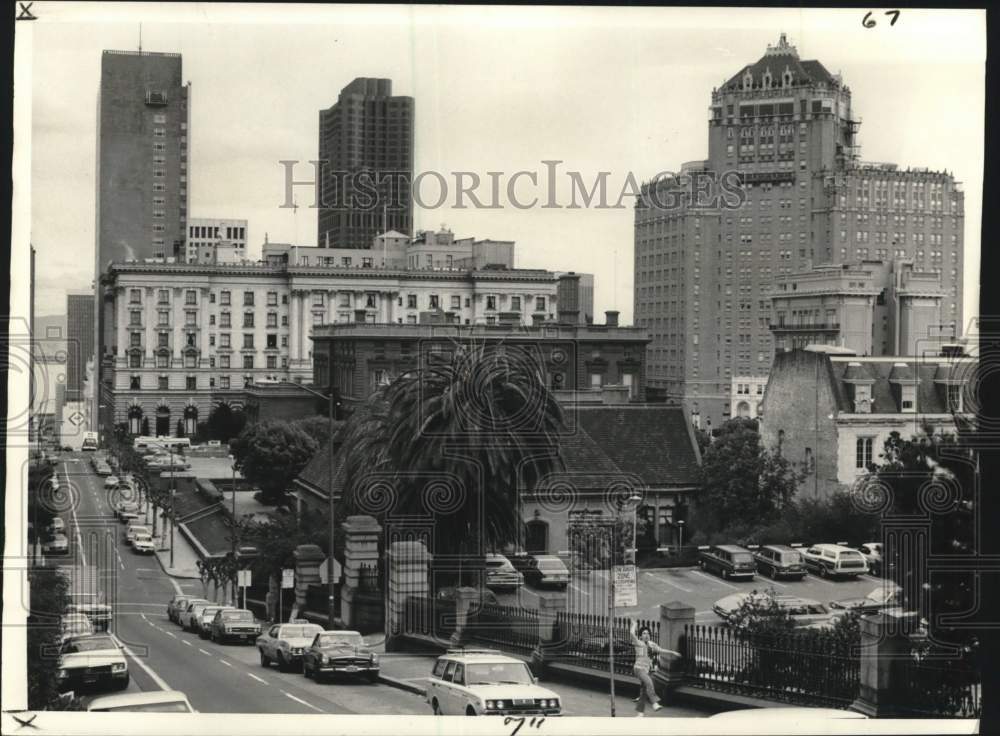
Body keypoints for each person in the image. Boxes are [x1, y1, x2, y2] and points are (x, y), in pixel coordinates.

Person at [630, 620, 680, 716]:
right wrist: (634, 625)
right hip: (638, 669)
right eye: (644, 633)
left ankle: (640, 713)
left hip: (646, 670)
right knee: (649, 683)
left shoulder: (652, 645)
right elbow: (632, 633)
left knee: (644, 692)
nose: (646, 635)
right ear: (640, 636)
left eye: (648, 633)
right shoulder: (638, 643)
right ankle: (654, 703)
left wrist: (673, 653)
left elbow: (661, 650)